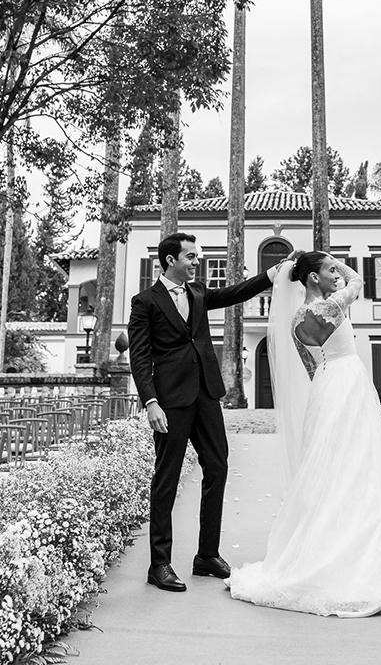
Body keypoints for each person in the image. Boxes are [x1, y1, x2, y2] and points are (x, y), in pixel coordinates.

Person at [226, 252, 381, 617]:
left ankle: (325, 545)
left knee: (330, 466)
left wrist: (314, 264)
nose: (336, 274)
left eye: (336, 269)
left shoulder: (296, 321)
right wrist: (337, 265)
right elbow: (358, 283)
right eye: (329, 269)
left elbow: (310, 366)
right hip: (348, 382)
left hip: (325, 385)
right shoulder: (330, 306)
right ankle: (354, 560)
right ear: (313, 279)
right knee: (358, 463)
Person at [127, 231, 277, 593]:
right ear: (170, 261)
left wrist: (269, 277)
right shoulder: (144, 302)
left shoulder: (197, 293)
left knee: (218, 466)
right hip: (170, 402)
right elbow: (140, 356)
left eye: (197, 256)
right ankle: (159, 563)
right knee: (166, 479)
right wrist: (150, 403)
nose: (197, 262)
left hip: (206, 395)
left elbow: (233, 294)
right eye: (191, 257)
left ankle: (206, 555)